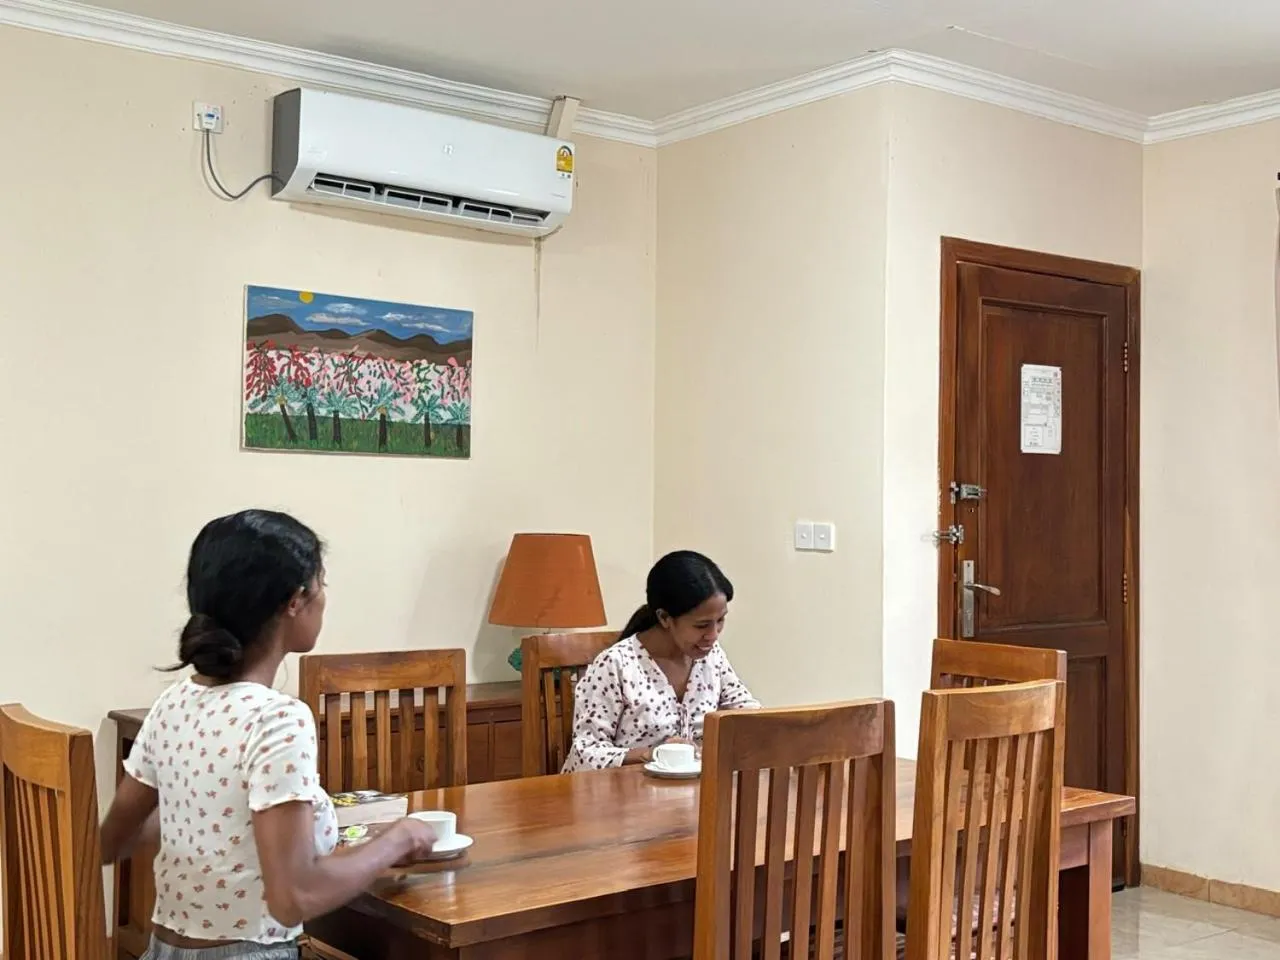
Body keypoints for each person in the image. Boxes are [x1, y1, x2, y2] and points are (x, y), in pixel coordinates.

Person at [99, 509, 436, 959]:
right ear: (295, 601)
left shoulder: (173, 703)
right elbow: (295, 896)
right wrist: (400, 838)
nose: (324, 598)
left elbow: (112, 840)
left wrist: (206, 817)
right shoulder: (278, 719)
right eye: (321, 584)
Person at [562, 550, 759, 772]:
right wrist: (653, 753)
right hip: (621, 797)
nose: (713, 635)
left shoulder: (712, 657)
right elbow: (585, 753)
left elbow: (750, 717)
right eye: (702, 625)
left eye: (721, 620)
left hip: (691, 796)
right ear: (664, 618)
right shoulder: (615, 665)